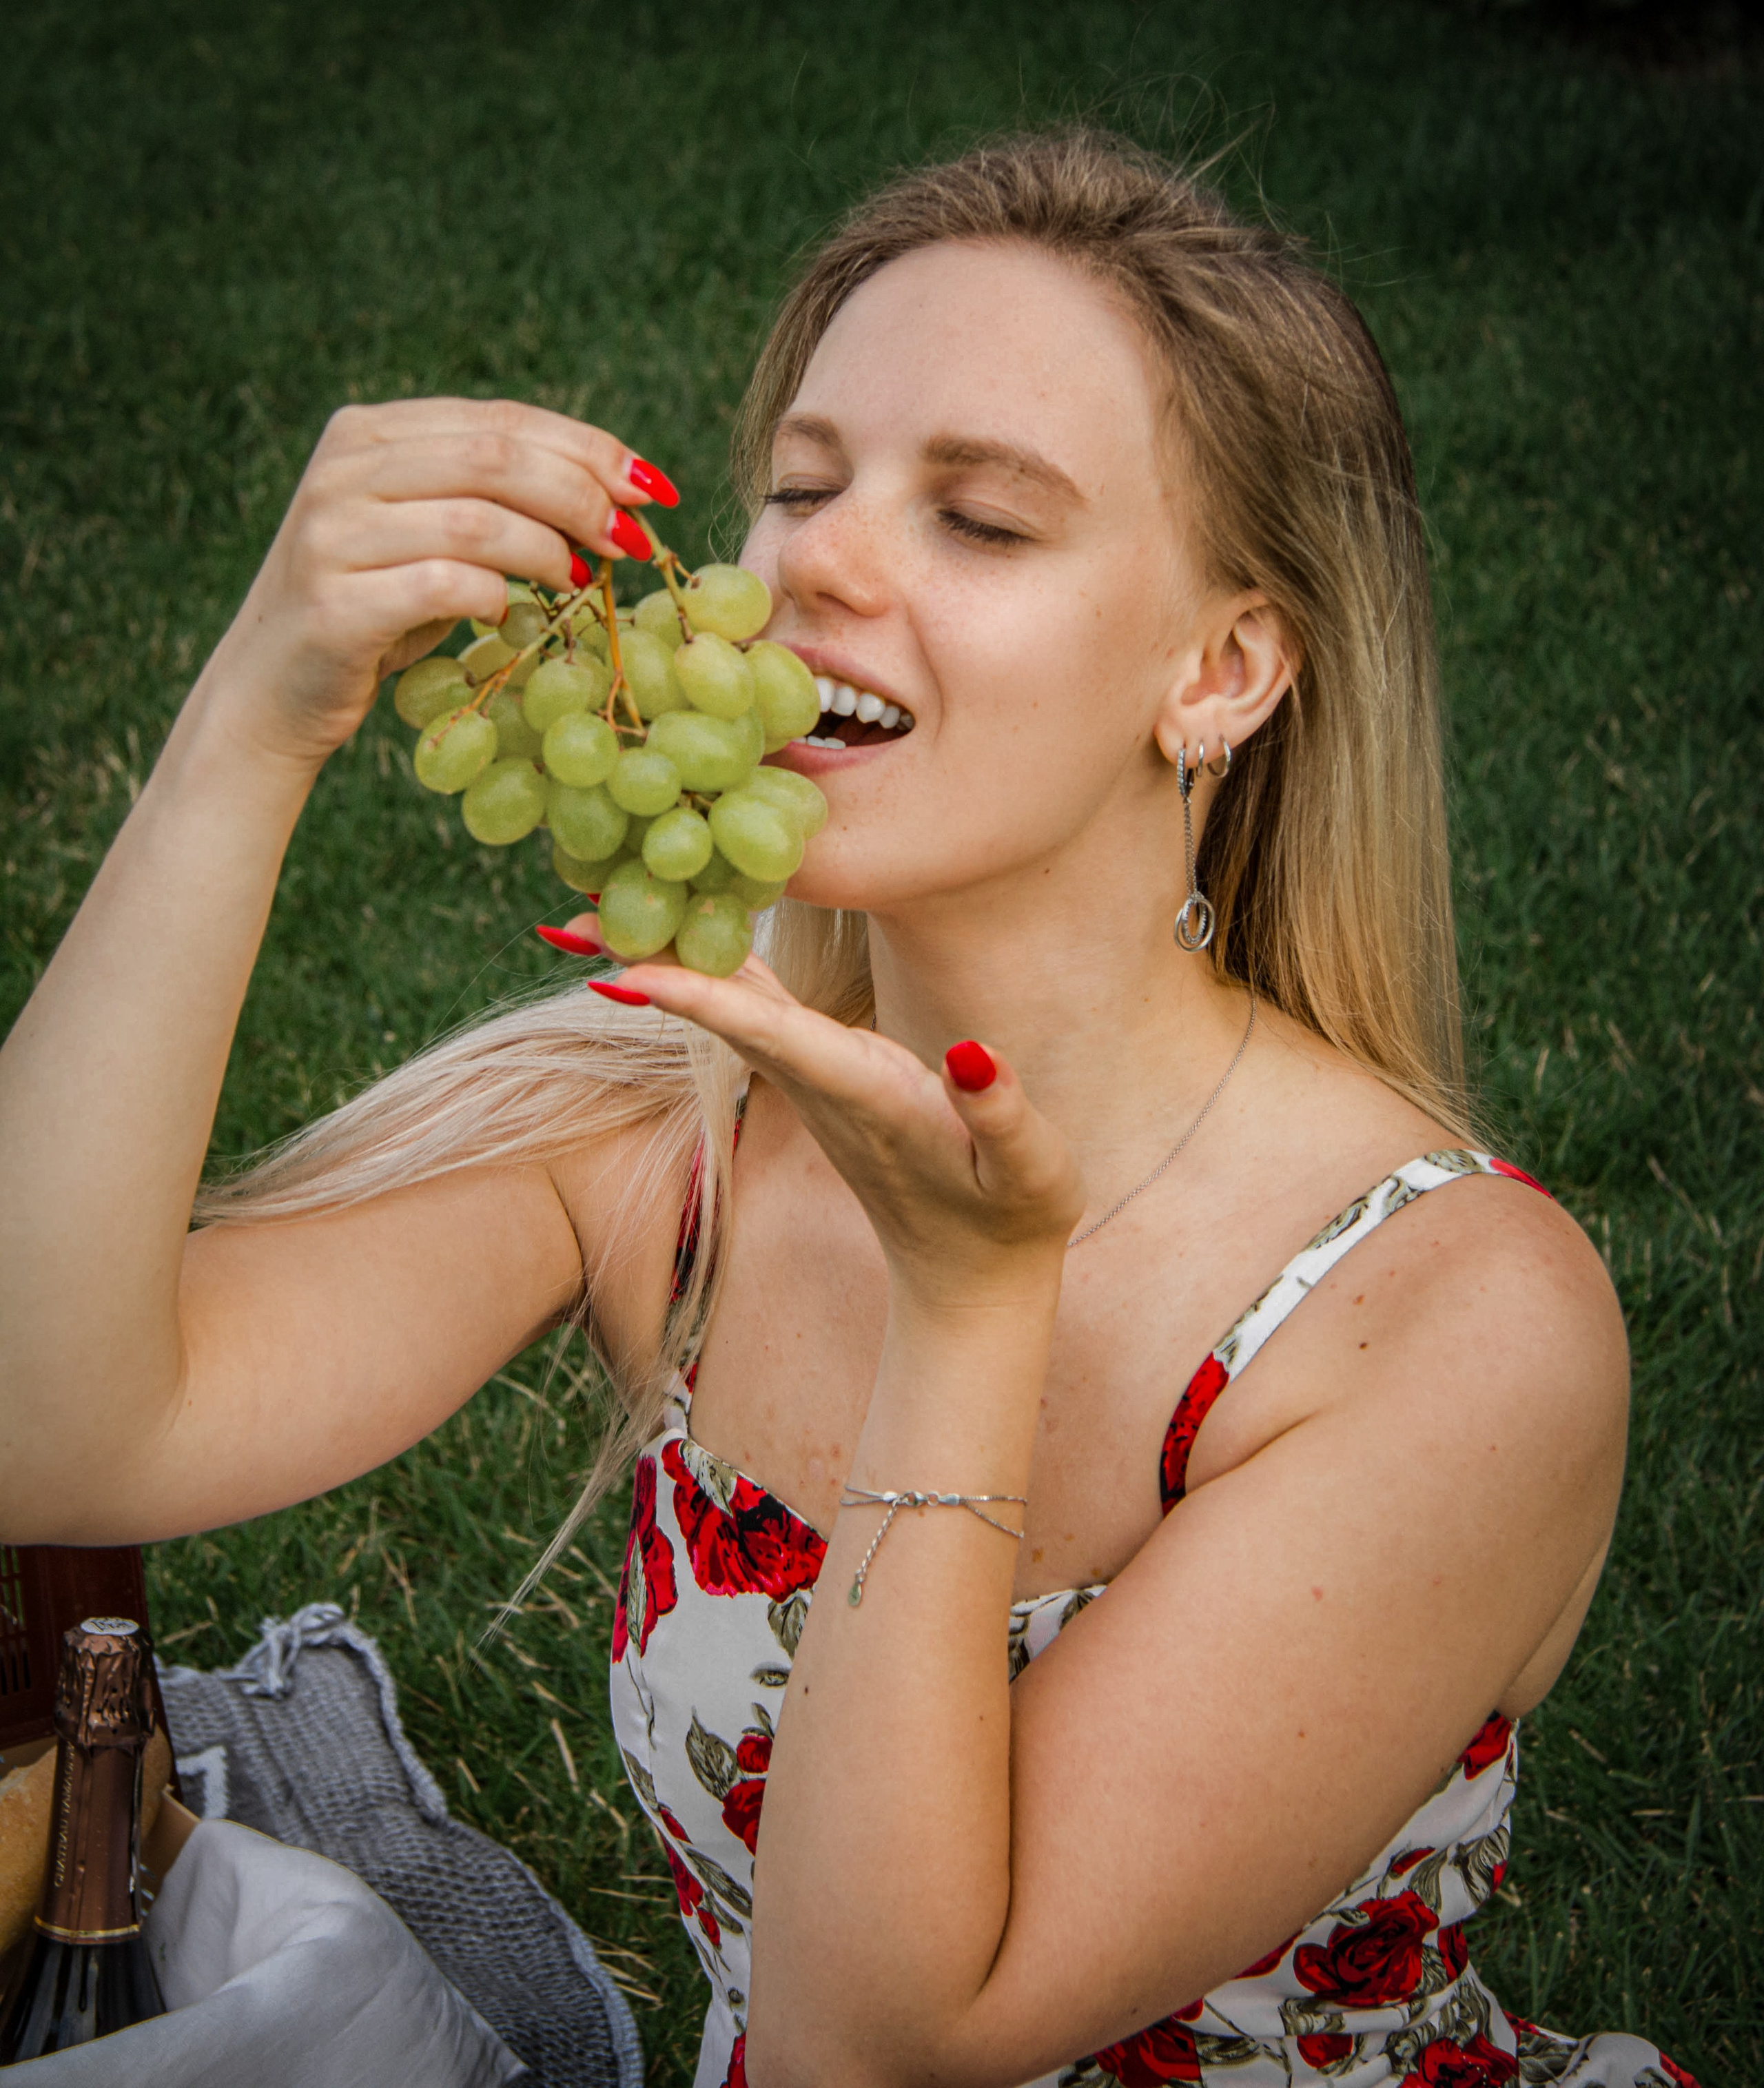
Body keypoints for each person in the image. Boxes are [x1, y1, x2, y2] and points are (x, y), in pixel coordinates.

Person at [0, 130, 1698, 2088]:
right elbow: (54, 1434)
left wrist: (973, 1315)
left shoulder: (1455, 1323)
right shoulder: (665, 1126)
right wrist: (257, 715)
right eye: (802, 485)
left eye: (981, 519)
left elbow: (872, 2048)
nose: (807, 556)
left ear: (1222, 670)